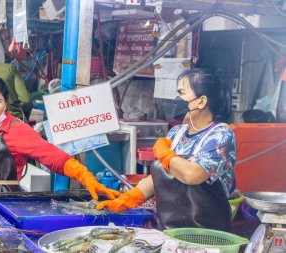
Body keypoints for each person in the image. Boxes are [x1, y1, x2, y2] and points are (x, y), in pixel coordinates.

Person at [97, 68, 236, 232]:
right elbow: (158, 176)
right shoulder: (177, 133)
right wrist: (128, 199)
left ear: (201, 101)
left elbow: (193, 174)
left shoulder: (220, 134)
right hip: (171, 230)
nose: (176, 99)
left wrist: (165, 154)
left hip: (208, 233)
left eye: (181, 93)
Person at [0, 75, 120, 205]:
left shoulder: (17, 130)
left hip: (5, 204)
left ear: (5, 102)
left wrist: (84, 175)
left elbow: (54, 157)